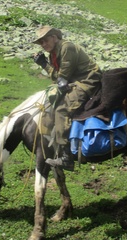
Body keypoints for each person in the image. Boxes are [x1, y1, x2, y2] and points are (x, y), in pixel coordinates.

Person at [33, 25, 102, 171]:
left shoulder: (66, 47)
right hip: (74, 81)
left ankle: (66, 157)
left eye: (45, 40)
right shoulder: (53, 53)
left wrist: (44, 65)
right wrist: (46, 64)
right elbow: (58, 78)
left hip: (87, 81)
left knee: (62, 109)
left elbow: (62, 78)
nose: (43, 45)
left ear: (54, 37)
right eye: (41, 43)